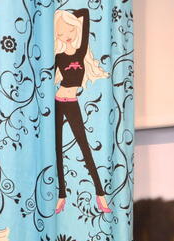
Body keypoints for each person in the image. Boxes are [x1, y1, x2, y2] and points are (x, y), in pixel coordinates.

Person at [54, 9, 111, 214]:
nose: (66, 35)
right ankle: (61, 195)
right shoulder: (58, 57)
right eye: (60, 32)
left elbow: (85, 14)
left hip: (72, 102)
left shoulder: (80, 52)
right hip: (58, 101)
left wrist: (62, 15)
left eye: (69, 29)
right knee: (57, 150)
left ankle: (100, 194)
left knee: (85, 147)